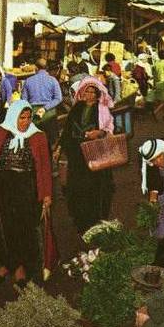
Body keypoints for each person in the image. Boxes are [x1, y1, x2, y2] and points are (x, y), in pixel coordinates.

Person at [0, 100, 52, 286]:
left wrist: (46, 194)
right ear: (13, 116)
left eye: (28, 118)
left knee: (24, 228)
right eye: (21, 118)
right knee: (1, 228)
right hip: (3, 187)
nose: (25, 122)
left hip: (27, 187)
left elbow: (44, 168)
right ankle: (5, 264)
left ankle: (21, 268)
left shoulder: (38, 136)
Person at [54, 77, 114, 234]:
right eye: (86, 91)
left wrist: (99, 132)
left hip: (95, 154)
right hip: (76, 155)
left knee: (94, 189)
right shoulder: (77, 108)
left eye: (92, 91)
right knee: (76, 188)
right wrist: (59, 148)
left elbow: (110, 129)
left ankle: (95, 221)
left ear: (97, 94)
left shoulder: (102, 110)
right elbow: (67, 130)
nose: (89, 94)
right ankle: (80, 220)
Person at [21, 58, 63, 148]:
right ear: (47, 67)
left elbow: (24, 100)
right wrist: (45, 108)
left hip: (33, 113)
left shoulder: (28, 80)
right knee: (49, 144)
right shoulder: (53, 80)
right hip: (49, 113)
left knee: (33, 143)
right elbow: (58, 98)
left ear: (36, 68)